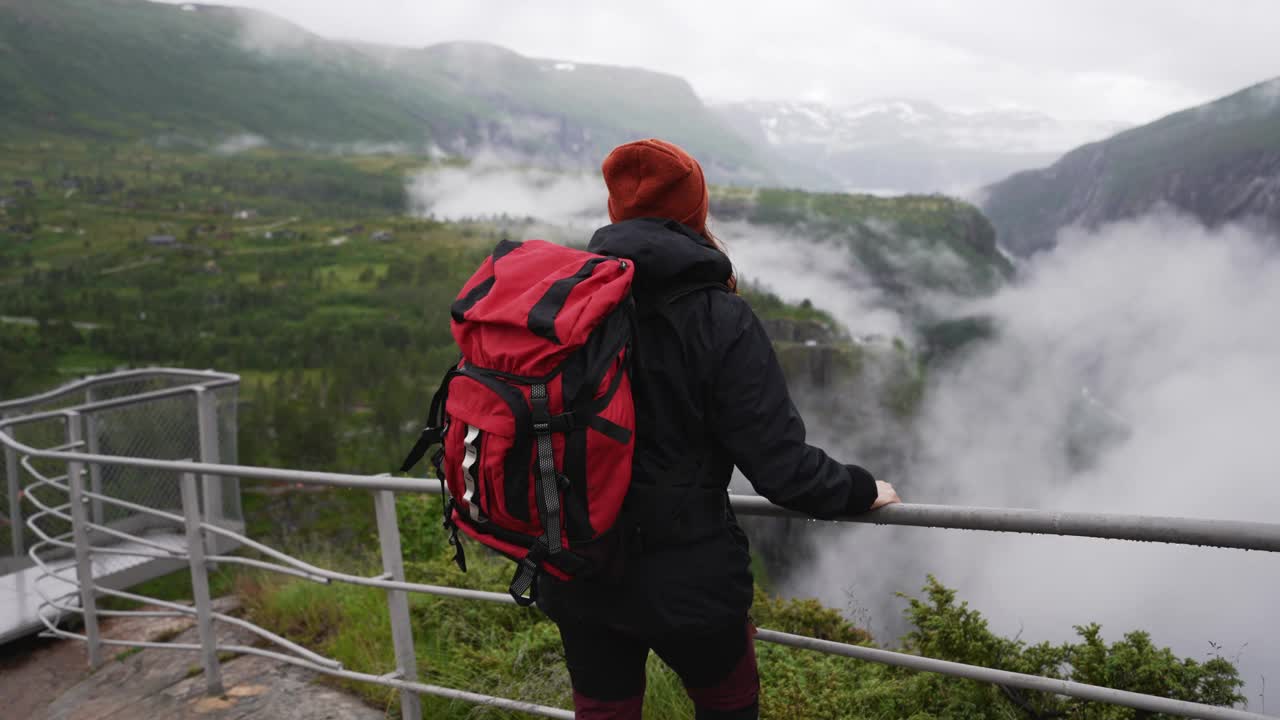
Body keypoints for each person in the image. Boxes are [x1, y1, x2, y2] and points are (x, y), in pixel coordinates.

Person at [535, 138, 902, 720]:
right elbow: (782, 469)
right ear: (695, 213)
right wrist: (862, 489)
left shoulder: (566, 309)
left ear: (613, 213)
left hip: (578, 567)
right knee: (729, 705)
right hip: (689, 580)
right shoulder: (717, 316)